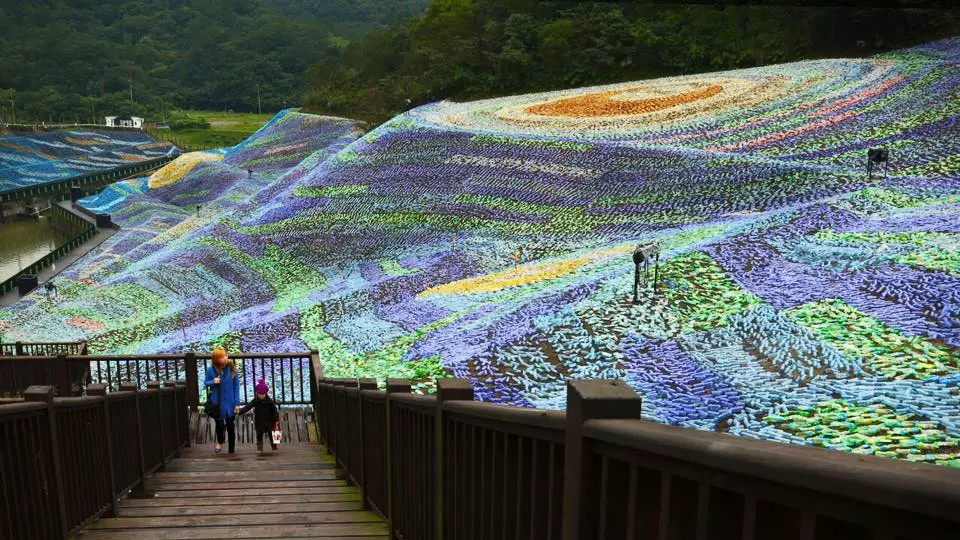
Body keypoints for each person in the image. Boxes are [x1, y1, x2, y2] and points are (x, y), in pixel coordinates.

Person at [204, 347, 240, 454]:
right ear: (216, 359)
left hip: (230, 403)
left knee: (230, 426)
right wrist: (213, 381)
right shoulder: (211, 370)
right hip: (217, 403)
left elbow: (236, 387)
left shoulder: (232, 369)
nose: (225, 358)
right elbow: (206, 382)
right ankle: (220, 442)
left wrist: (237, 403)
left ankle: (231, 450)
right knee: (219, 424)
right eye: (222, 357)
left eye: (225, 355)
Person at [236, 379, 280, 453]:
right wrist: (240, 411)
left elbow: (275, 411)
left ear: (266, 393)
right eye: (260, 394)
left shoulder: (270, 402)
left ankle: (274, 447)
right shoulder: (255, 400)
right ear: (257, 393)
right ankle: (259, 448)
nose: (261, 395)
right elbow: (248, 406)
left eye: (263, 394)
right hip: (259, 421)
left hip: (269, 421)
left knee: (271, 435)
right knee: (259, 435)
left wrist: (276, 419)